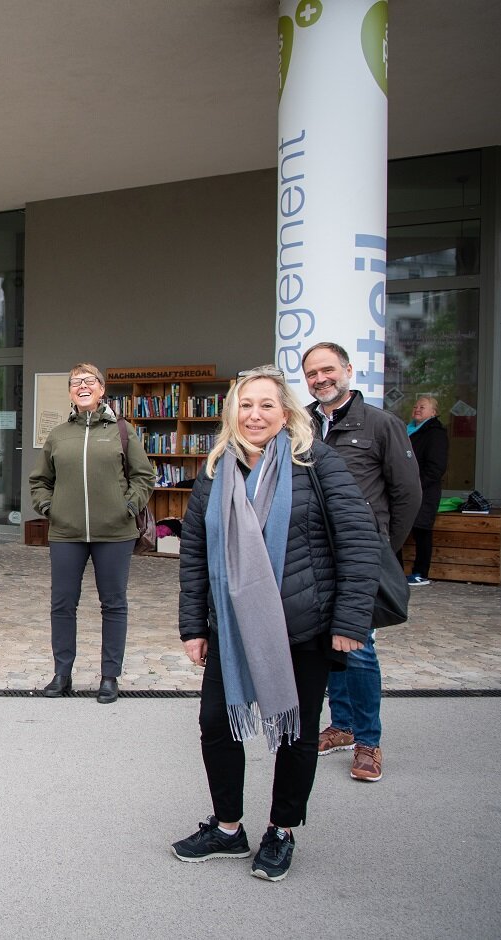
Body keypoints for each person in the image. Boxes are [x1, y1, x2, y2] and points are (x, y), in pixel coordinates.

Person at [171, 366, 378, 882]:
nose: (255, 414)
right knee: (217, 726)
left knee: (295, 733)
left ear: (285, 412)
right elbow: (195, 552)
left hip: (303, 626)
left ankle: (281, 830)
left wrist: (351, 619)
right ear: (232, 414)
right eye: (246, 405)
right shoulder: (217, 469)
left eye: (266, 405)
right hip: (231, 629)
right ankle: (227, 828)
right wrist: (194, 625)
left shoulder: (316, 462)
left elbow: (358, 539)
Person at [301, 342, 421, 784]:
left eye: (327, 370)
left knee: (361, 647)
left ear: (348, 370)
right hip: (315, 555)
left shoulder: (381, 425)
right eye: (312, 373)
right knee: (327, 644)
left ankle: (369, 741)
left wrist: (380, 547)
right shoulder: (303, 424)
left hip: (360, 557)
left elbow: (408, 494)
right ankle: (343, 724)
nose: (320, 379)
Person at [27, 362, 154, 704]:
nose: (82, 386)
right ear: (70, 392)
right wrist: (49, 508)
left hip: (114, 534)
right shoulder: (58, 435)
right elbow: (40, 481)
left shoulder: (122, 431)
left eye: (89, 381)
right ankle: (62, 673)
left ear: (101, 389)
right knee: (62, 604)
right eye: (75, 382)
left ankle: (110, 676)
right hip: (66, 534)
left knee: (113, 604)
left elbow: (144, 476)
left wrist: (127, 507)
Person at [406, 395, 450, 585]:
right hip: (405, 490)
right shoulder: (407, 430)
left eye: (422, 407)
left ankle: (420, 573)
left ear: (434, 412)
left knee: (421, 531)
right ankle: (396, 573)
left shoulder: (435, 433)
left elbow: (435, 468)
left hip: (425, 491)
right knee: (398, 528)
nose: (417, 409)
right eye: (415, 406)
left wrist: (416, 486)